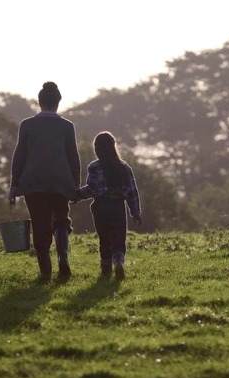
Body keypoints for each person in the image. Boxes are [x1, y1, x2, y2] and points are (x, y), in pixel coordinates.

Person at [9, 82, 81, 281]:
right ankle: (63, 257)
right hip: (61, 180)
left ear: (39, 102)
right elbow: (73, 157)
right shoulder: (67, 126)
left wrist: (14, 185)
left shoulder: (27, 125)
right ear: (58, 102)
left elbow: (19, 156)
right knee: (61, 219)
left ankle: (45, 269)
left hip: (34, 182)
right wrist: (75, 184)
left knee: (40, 224)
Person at [75, 131, 142, 280]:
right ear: (113, 147)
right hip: (117, 207)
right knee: (119, 238)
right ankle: (118, 261)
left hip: (100, 208)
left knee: (104, 239)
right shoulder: (124, 167)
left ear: (96, 149)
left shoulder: (94, 167)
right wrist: (135, 212)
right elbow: (132, 191)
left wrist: (77, 195)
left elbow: (91, 189)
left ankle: (105, 271)